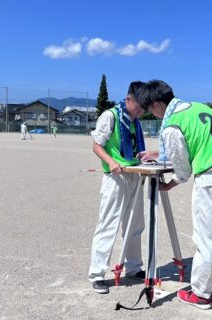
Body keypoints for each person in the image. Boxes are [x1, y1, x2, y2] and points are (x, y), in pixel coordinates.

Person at [137, 80, 212, 310]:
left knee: (207, 240)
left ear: (156, 104)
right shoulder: (198, 107)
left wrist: (172, 183)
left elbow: (182, 168)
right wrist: (158, 152)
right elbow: (197, 141)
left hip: (211, 179)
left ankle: (201, 294)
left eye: (151, 110)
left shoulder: (173, 124)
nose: (152, 115)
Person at [88, 81, 147, 294]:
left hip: (134, 175)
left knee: (135, 223)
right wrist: (111, 162)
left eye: (144, 107)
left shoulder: (135, 120)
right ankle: (97, 274)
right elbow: (96, 145)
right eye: (139, 105)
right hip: (115, 177)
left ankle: (133, 266)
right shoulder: (111, 116)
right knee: (108, 224)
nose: (141, 110)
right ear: (128, 99)